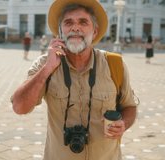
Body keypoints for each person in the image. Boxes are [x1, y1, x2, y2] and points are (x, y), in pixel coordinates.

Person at [11, 0, 137, 160]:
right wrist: (47, 68)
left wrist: (124, 124)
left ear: (95, 31)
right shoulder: (45, 64)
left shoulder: (115, 64)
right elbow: (19, 107)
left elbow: (129, 106)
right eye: (68, 22)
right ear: (60, 32)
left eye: (83, 22)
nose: (75, 27)